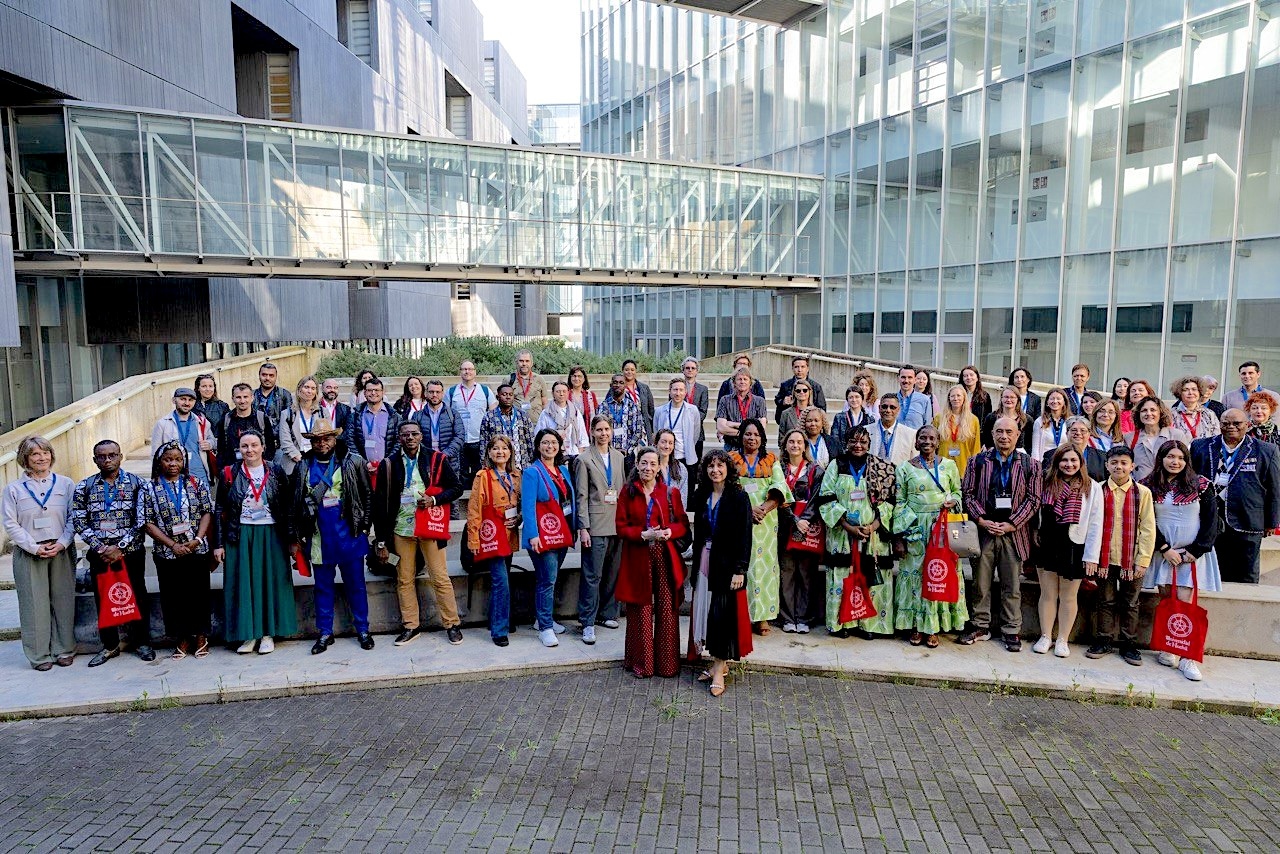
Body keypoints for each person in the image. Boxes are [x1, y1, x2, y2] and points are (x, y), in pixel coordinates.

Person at [373, 421, 464, 647]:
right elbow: (379, 504)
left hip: (430, 527)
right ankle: (410, 626)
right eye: (405, 435)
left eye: (414, 434)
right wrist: (381, 540)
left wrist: (434, 499)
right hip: (401, 530)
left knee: (440, 577)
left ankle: (452, 624)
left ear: (421, 436)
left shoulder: (436, 459)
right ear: (399, 438)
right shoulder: (389, 464)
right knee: (404, 579)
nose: (410, 438)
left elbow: (457, 488)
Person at [290, 418, 375, 655]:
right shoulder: (303, 466)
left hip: (350, 535)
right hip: (319, 537)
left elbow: (367, 495)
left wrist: (365, 527)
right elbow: (294, 503)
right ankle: (325, 632)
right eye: (317, 440)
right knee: (322, 588)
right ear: (311, 442)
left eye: (326, 438)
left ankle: (363, 629)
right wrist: (295, 535)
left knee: (356, 586)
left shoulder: (353, 461)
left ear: (335, 439)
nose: (322, 443)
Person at [1142, 440, 1221, 682]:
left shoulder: (1201, 485)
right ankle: (1169, 648)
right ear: (1161, 458)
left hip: (1191, 556)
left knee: (1186, 603)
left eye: (1180, 457)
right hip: (1164, 554)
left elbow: (1211, 521)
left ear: (1187, 460)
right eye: (1170, 456)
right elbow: (1146, 520)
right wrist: (1164, 548)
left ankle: (1189, 657)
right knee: (1168, 600)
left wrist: (1195, 551)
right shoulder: (1148, 485)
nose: (1175, 462)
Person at [959, 417, 1040, 652]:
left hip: (1013, 534)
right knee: (980, 584)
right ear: (992, 434)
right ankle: (980, 625)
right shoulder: (977, 462)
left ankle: (1011, 630)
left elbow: (1033, 499)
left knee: (1011, 585)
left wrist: (1012, 524)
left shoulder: (1031, 465)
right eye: (999, 431)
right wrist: (982, 520)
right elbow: (968, 494)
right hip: (983, 532)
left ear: (1018, 435)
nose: (1004, 436)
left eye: (1009, 432)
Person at [214, 430, 296, 655]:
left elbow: (287, 505)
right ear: (239, 449)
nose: (249, 450)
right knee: (244, 584)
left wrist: (292, 538)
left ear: (263, 447)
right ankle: (249, 634)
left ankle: (268, 634)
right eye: (244, 446)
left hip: (271, 533)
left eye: (254, 445)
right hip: (240, 534)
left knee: (269, 583)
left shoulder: (276, 470)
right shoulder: (230, 473)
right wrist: (218, 543)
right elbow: (219, 509)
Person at [73, 440, 152, 666]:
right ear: (94, 459)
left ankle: (142, 642)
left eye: (112, 455)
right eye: (102, 456)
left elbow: (142, 519)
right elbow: (79, 520)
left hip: (131, 552)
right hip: (100, 554)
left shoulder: (138, 484)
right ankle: (110, 645)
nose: (107, 460)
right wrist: (101, 547)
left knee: (138, 595)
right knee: (103, 598)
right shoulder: (85, 486)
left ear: (121, 456)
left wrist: (120, 547)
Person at [2, 436, 77, 670]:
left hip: (61, 549)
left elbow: (74, 517)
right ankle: (39, 654)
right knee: (34, 604)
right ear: (25, 459)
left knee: (63, 601)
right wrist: (34, 547)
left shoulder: (65, 484)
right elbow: (10, 523)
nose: (41, 458)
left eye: (45, 453)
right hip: (30, 552)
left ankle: (63, 649)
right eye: (35, 454)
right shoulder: (13, 489)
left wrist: (62, 543)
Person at [616, 446, 689, 678]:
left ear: (659, 468)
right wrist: (642, 534)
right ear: (637, 465)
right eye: (644, 463)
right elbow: (620, 527)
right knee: (641, 609)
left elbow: (682, 525)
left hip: (665, 556)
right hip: (638, 556)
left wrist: (669, 531)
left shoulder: (670, 493)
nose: (648, 467)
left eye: (653, 464)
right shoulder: (627, 492)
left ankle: (667, 665)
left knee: (667, 609)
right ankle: (643, 663)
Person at [817, 426, 897, 639]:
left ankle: (869, 624)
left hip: (873, 536)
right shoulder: (836, 465)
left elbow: (890, 501)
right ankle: (843, 623)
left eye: (863, 441)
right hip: (842, 535)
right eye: (853, 441)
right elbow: (826, 497)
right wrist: (847, 525)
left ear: (869, 444)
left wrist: (873, 526)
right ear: (847, 443)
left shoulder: (880, 466)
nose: (858, 445)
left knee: (871, 579)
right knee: (842, 577)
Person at [139, 441, 215, 660]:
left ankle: (201, 636)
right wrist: (172, 545)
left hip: (196, 550)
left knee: (198, 594)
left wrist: (198, 539)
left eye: (177, 459)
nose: (173, 464)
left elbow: (207, 512)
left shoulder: (196, 483)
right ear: (159, 462)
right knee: (173, 597)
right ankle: (181, 638)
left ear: (184, 461)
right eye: (168, 459)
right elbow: (147, 522)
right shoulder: (149, 488)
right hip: (167, 553)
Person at [686, 450, 752, 697]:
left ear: (728, 469)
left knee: (721, 616)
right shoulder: (702, 495)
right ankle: (718, 665)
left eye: (720, 465)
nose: (715, 470)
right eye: (711, 466)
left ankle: (718, 669)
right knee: (708, 614)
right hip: (705, 560)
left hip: (727, 565)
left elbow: (745, 535)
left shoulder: (739, 497)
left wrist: (740, 569)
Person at [893, 426, 966, 648]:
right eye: (922, 437)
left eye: (932, 438)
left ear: (938, 442)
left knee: (938, 573)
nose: (927, 441)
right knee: (916, 576)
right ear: (916, 442)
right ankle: (915, 625)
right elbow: (899, 502)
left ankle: (933, 626)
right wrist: (900, 536)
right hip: (914, 528)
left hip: (942, 527)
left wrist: (954, 501)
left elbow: (958, 492)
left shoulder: (949, 465)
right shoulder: (904, 468)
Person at [1084, 446, 1157, 666]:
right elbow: (1091, 524)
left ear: (1132, 466)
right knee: (1104, 600)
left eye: (1124, 463)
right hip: (1104, 559)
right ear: (1107, 465)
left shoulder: (1142, 492)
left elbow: (1148, 528)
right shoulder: (1098, 490)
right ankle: (1103, 640)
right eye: (1114, 462)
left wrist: (1143, 560)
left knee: (1131, 603)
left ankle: (1128, 643)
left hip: (1131, 559)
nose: (1119, 467)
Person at [1190, 409, 1280, 584]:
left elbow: (1274, 488)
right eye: (1226, 423)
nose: (1231, 427)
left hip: (1247, 518)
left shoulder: (1266, 450)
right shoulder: (1201, 446)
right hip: (1210, 519)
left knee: (1246, 573)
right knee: (1213, 571)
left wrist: (1272, 521)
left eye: (1237, 423)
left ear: (1247, 425)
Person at [1032, 445, 1102, 659]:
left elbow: (1096, 523)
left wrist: (1092, 556)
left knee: (1069, 596)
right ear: (1057, 462)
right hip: (1048, 542)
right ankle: (1045, 636)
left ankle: (1063, 639)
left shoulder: (1092, 487)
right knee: (1047, 593)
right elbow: (1037, 512)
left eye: (1073, 460)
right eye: (1064, 460)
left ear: (1081, 463)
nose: (1069, 464)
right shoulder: (1046, 482)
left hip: (1074, 545)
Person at [730, 418, 792, 635]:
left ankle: (762, 617)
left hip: (765, 523)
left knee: (764, 568)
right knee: (743, 566)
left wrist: (764, 509)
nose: (752, 438)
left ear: (762, 438)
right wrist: (748, 510)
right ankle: (741, 615)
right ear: (741, 436)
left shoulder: (771, 460)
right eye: (748, 434)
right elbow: (728, 488)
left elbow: (780, 487)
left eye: (756, 435)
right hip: (739, 521)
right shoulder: (731, 459)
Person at [521, 429, 578, 648]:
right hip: (543, 535)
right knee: (547, 580)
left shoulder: (563, 470)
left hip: (561, 532)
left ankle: (542, 619)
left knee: (548, 579)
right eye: (545, 442)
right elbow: (527, 506)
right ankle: (545, 627)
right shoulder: (532, 472)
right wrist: (533, 535)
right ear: (538, 446)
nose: (549, 446)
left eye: (553, 442)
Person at [466, 435, 522, 646]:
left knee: (504, 578)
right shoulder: (483, 476)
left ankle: (497, 618)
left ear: (510, 452)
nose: (500, 452)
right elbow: (474, 509)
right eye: (496, 448)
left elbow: (521, 503)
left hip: (509, 534)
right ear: (489, 452)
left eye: (504, 448)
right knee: (501, 583)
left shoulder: (516, 475)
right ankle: (499, 630)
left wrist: (519, 518)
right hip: (492, 535)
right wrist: (473, 540)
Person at [575, 415, 626, 641]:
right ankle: (587, 620)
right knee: (592, 575)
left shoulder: (619, 457)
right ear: (592, 432)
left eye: (607, 429)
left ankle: (607, 613)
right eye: (599, 430)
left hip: (616, 522)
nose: (603, 433)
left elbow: (622, 490)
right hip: (595, 525)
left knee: (612, 572)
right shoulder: (584, 459)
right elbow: (582, 495)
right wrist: (583, 527)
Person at [777, 429, 823, 634]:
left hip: (807, 528)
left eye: (799, 442)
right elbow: (777, 496)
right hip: (785, 526)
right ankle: (788, 617)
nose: (795, 445)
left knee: (806, 574)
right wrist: (793, 520)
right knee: (786, 572)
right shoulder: (778, 469)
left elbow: (816, 498)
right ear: (785, 445)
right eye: (791, 442)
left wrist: (804, 520)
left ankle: (804, 617)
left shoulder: (815, 470)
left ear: (805, 446)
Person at [151, 386, 215, 486]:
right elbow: (155, 454)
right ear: (174, 400)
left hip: (199, 473)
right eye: (183, 399)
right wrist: (157, 476)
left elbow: (213, 441)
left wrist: (209, 443)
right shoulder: (162, 424)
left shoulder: (202, 422)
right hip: (173, 474)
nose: (187, 403)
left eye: (190, 400)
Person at [448, 361, 496, 484]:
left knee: (479, 471)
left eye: (470, 369)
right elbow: (446, 413)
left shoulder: (485, 390)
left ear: (475, 372)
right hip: (459, 439)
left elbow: (493, 412)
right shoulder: (452, 392)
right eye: (464, 369)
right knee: (461, 473)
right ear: (460, 372)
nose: (467, 371)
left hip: (479, 439)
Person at [1124, 396, 1190, 481]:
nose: (1148, 413)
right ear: (1138, 414)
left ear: (1161, 413)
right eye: (1144, 410)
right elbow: (1126, 466)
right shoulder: (1130, 438)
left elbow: (1186, 463)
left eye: (1153, 410)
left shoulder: (1176, 435)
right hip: (1140, 486)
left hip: (1170, 486)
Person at [217, 383, 275, 472]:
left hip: (258, 469)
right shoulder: (226, 420)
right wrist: (223, 470)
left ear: (252, 398)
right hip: (233, 470)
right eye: (238, 397)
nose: (242, 401)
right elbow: (221, 449)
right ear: (233, 399)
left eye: (245, 397)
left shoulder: (262, 418)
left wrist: (264, 466)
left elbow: (270, 446)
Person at [350, 377, 403, 475]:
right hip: (362, 469)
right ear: (365, 393)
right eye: (369, 390)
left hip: (388, 469)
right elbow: (350, 441)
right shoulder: (355, 416)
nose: (373, 393)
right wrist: (363, 463)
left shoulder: (395, 417)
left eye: (377, 390)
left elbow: (398, 442)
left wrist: (386, 462)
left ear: (383, 392)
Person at [414, 379, 465, 479]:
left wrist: (445, 454)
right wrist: (428, 455)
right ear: (426, 393)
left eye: (438, 392)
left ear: (442, 394)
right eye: (431, 392)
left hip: (449, 462)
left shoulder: (453, 414)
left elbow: (460, 436)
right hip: (427, 463)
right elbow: (415, 438)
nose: (434, 395)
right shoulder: (417, 416)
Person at [480, 383, 536, 471]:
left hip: (521, 465)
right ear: (497, 397)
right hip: (498, 466)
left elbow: (530, 440)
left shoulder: (522, 415)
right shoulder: (489, 417)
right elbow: (484, 443)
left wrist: (533, 461)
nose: (508, 397)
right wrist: (484, 464)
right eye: (504, 394)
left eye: (510, 394)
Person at [654, 377, 700, 476]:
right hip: (665, 457)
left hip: (685, 457)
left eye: (681, 390)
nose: (678, 393)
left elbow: (695, 434)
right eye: (675, 389)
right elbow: (657, 432)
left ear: (685, 392)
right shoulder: (659, 411)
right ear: (670, 391)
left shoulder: (693, 410)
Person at [277, 375, 322, 476]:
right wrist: (300, 459)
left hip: (317, 460)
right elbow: (285, 441)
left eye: (313, 388)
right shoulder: (287, 413)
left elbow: (327, 437)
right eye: (306, 387)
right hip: (293, 461)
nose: (309, 391)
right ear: (299, 389)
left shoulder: (322, 412)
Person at [716, 367, 768, 452]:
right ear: (734, 382)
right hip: (731, 447)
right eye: (739, 379)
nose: (742, 382)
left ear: (750, 382)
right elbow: (721, 427)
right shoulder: (725, 400)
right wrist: (747, 432)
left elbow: (761, 428)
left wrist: (732, 424)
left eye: (745, 379)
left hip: (753, 448)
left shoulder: (760, 401)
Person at [598, 373, 647, 460]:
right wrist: (609, 450)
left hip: (628, 454)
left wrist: (627, 450)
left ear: (625, 385)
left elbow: (638, 431)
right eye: (615, 382)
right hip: (607, 454)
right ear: (611, 385)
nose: (618, 385)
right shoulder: (603, 406)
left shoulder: (632, 406)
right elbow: (599, 430)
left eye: (621, 383)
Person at [535, 380, 589, 459]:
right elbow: (539, 434)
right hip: (553, 453)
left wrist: (580, 452)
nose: (561, 394)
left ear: (568, 392)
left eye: (564, 391)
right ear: (553, 393)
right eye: (558, 391)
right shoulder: (546, 413)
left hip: (573, 452)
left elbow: (582, 432)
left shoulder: (575, 411)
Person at [935, 386, 981, 475]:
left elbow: (975, 448)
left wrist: (974, 469)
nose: (956, 398)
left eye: (958, 395)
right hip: (942, 467)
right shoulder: (939, 418)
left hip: (964, 468)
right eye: (952, 396)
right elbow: (933, 444)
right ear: (949, 398)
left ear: (964, 398)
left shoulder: (973, 420)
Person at [1047, 416, 1108, 483]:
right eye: (1074, 430)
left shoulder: (1102, 457)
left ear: (1089, 434)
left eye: (1083, 430)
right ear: (1067, 433)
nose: (1078, 433)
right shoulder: (1051, 455)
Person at [775, 354, 827, 423]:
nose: (799, 370)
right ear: (792, 368)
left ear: (807, 369)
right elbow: (777, 400)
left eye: (802, 367)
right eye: (796, 367)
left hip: (810, 422)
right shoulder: (785, 385)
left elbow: (822, 408)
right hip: (790, 421)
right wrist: (783, 402)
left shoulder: (816, 387)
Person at [981, 387, 1032, 452]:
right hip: (995, 453)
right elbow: (986, 440)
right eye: (1006, 397)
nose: (1009, 400)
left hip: (1018, 455)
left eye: (1012, 397)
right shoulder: (991, 418)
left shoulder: (1026, 419)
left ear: (1018, 399)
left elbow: (1029, 444)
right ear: (1001, 399)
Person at [1170, 375, 1221, 440]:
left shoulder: (1210, 414)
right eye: (1186, 390)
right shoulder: (1171, 415)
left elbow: (1217, 438)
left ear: (1200, 392)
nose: (1190, 393)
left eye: (1194, 389)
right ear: (1179, 393)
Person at [871, 394, 917, 464]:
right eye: (884, 407)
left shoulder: (911, 435)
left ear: (898, 410)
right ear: (879, 408)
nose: (888, 410)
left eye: (892, 407)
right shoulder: (866, 431)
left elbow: (915, 464)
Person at [680, 357, 711, 461]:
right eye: (687, 368)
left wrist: (690, 421)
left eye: (693, 368)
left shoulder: (703, 389)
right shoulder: (677, 388)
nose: (690, 370)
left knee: (696, 463)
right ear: (683, 370)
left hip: (697, 432)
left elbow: (703, 411)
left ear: (697, 371)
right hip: (680, 430)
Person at [831, 385, 877, 454]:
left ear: (862, 398)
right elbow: (834, 439)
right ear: (847, 400)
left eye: (857, 397)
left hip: (863, 455)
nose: (854, 400)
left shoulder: (870, 419)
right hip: (844, 455)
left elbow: (872, 441)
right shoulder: (839, 417)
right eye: (851, 397)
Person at [509, 348, 549, 423]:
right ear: (517, 362)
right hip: (515, 423)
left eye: (527, 361)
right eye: (521, 361)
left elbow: (545, 403)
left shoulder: (539, 380)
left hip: (536, 423)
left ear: (531, 363)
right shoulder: (509, 380)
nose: (524, 364)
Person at [1030, 388, 1070, 461]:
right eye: (1052, 399)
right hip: (1045, 462)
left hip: (1065, 462)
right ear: (1047, 402)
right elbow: (1035, 449)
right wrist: (1036, 465)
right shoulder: (1039, 421)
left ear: (1064, 402)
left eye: (1058, 398)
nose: (1055, 401)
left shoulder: (1070, 421)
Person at [318, 378, 354, 455]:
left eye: (335, 388)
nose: (332, 390)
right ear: (322, 389)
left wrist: (334, 440)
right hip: (319, 447)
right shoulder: (315, 408)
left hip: (338, 449)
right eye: (329, 387)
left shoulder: (345, 409)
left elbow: (347, 430)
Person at [254, 362, 294, 433]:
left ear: (276, 377)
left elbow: (288, 419)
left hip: (279, 436)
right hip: (256, 435)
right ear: (259, 376)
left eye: (271, 375)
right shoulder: (251, 395)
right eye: (264, 375)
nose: (267, 378)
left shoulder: (284, 394)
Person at [621, 358, 656, 436]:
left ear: (636, 371)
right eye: (627, 370)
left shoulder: (644, 388)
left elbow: (651, 409)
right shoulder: (617, 388)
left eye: (632, 370)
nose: (629, 372)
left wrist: (651, 429)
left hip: (643, 428)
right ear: (622, 371)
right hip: (625, 429)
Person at [654, 429, 688, 494]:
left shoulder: (681, 468)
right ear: (656, 443)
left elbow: (683, 496)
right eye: (663, 442)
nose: (667, 446)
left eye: (670, 443)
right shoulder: (649, 466)